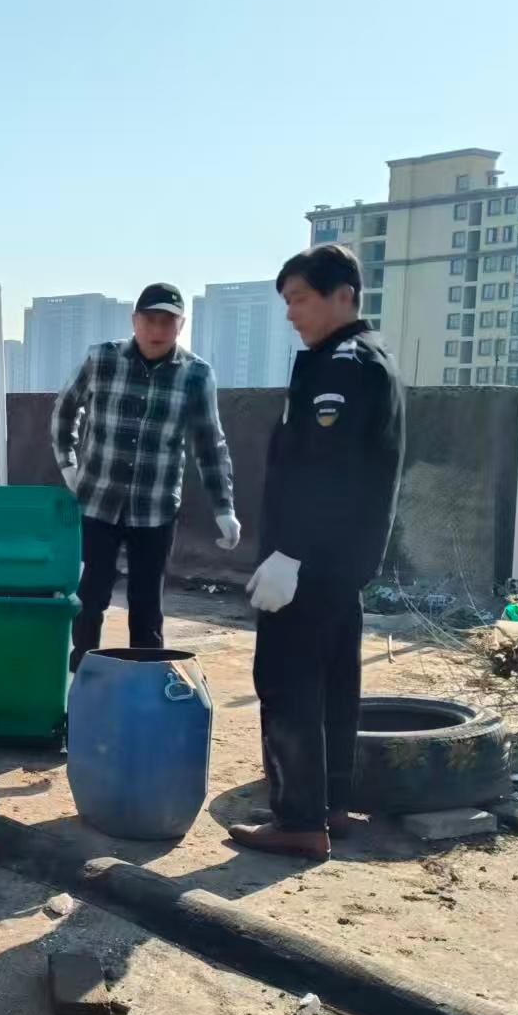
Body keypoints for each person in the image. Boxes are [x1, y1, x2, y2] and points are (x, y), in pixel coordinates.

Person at [229, 244, 405, 860]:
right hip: (340, 565)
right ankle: (329, 804)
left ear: (343, 296)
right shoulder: (363, 360)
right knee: (333, 686)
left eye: (300, 299)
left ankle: (299, 820)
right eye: (287, 301)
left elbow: (328, 473)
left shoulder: (343, 368)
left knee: (286, 682)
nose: (291, 313)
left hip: (309, 564)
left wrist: (290, 555)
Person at [51, 282, 241, 670]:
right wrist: (68, 464)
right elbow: (66, 409)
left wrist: (224, 508)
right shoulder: (102, 359)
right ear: (134, 320)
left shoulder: (196, 375)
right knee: (89, 598)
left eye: (167, 322)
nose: (157, 330)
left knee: (147, 606)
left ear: (181, 325)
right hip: (98, 501)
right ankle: (84, 676)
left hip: (155, 509)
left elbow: (209, 444)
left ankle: (146, 681)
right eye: (150, 320)